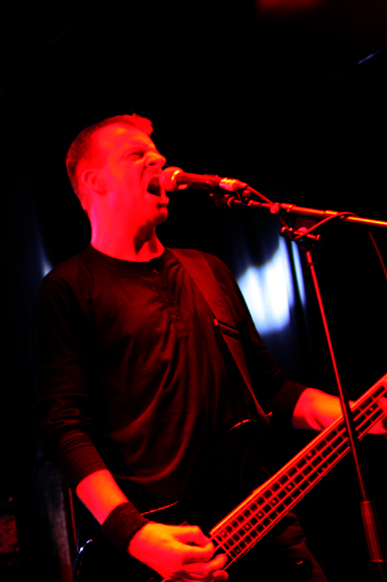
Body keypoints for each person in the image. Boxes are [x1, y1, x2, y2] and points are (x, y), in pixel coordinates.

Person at [34, 114, 385, 581]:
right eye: (137, 154)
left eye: (156, 151)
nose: (159, 159)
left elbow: (271, 390)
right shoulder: (68, 288)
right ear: (94, 181)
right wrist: (135, 535)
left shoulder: (208, 270)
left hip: (264, 525)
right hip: (161, 547)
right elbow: (63, 428)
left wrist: (357, 413)